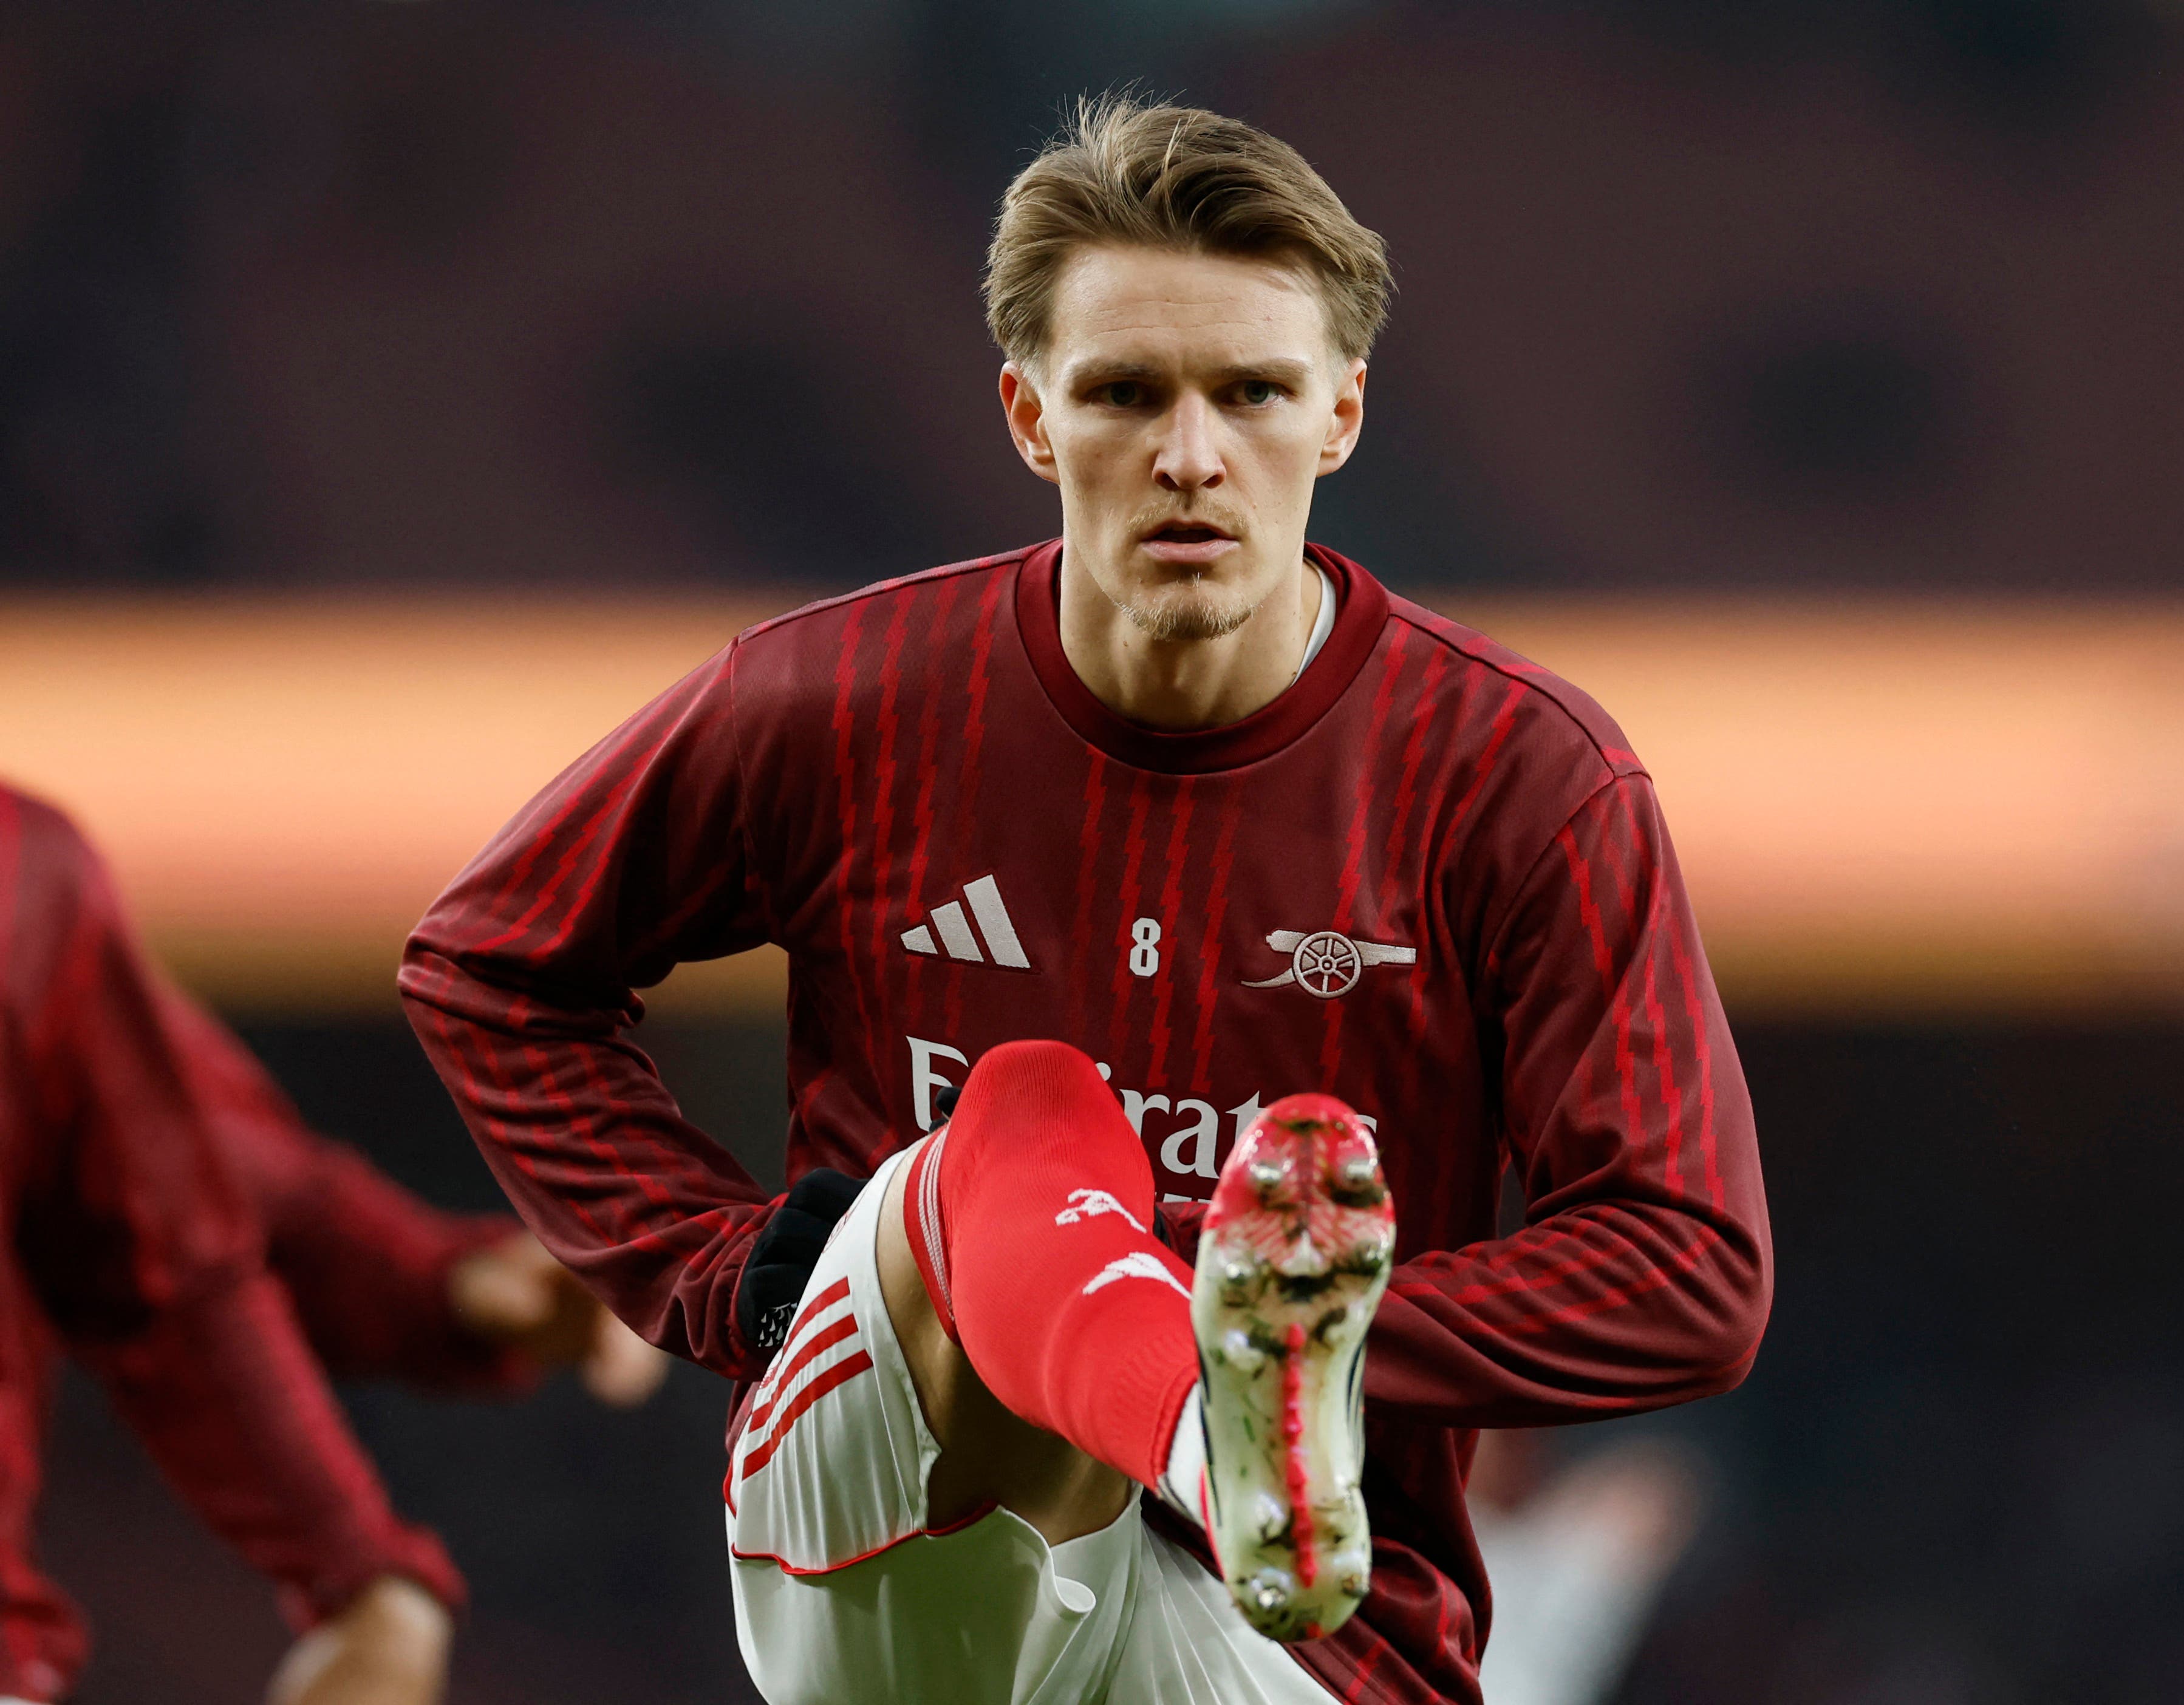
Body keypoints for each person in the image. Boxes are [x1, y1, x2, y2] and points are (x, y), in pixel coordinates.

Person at [400, 97, 1772, 1705]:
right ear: (1029, 415)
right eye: (1125, 393)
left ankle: (1227, 1398)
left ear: (1338, 412)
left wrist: (1303, 1329)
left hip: (1299, 1653)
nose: (1189, 454)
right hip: (901, 1522)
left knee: (1030, 1149)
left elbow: (1689, 1264)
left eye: (1250, 393)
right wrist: (712, 1266)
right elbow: (488, 969)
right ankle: (1215, 1414)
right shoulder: (840, 706)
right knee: (1023, 1116)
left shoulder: (1517, 782)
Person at [0, 783, 663, 1705]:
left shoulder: (24, 870)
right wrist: (359, 1573)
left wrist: (433, 1276)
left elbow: (166, 1187)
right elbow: (168, 1229)